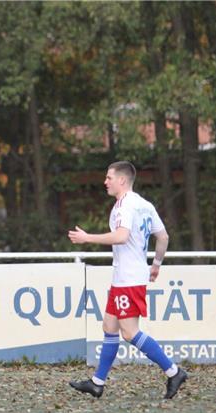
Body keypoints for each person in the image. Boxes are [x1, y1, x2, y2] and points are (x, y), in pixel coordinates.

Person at [68, 161, 187, 399]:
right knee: (109, 327)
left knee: (130, 333)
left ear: (122, 180)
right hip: (128, 276)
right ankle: (97, 383)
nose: (105, 182)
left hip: (128, 279)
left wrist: (87, 238)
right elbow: (163, 237)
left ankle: (174, 372)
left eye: (109, 177)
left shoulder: (124, 205)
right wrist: (156, 265)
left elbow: (122, 236)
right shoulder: (144, 204)